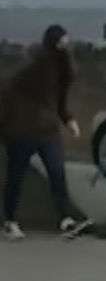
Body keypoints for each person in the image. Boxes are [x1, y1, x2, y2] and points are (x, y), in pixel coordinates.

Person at [0, 25, 84, 239]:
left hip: (47, 130)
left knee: (57, 172)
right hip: (22, 130)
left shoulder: (63, 72)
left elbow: (58, 101)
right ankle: (10, 221)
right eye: (61, 43)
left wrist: (68, 119)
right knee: (16, 176)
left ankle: (65, 218)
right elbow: (9, 96)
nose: (65, 48)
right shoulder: (32, 70)